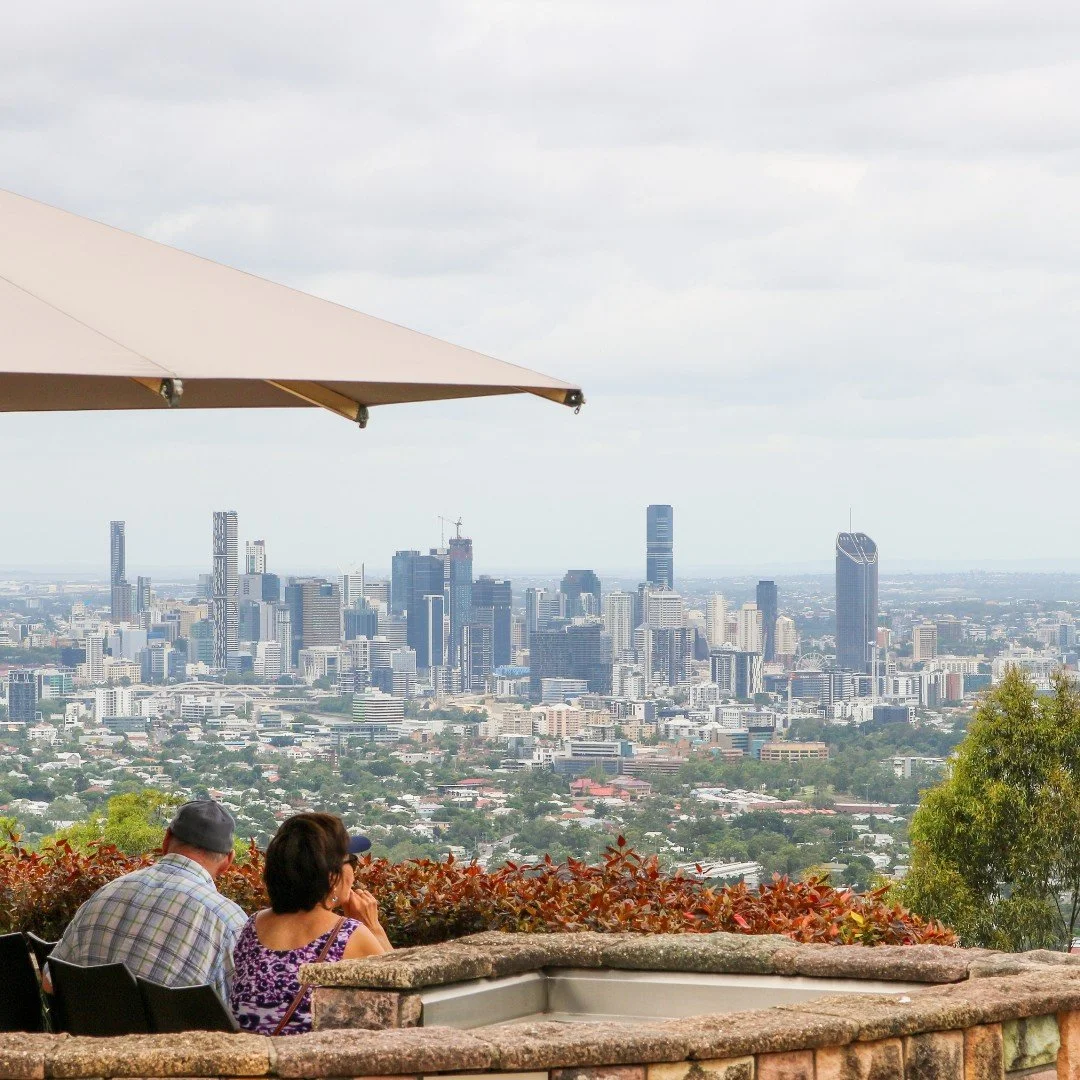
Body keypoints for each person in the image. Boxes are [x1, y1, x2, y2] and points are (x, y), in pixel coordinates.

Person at [46, 800, 247, 1003]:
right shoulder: (229, 921)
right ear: (227, 862)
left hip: (89, 1022)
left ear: (166, 840)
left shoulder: (107, 892)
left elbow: (49, 981)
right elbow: (242, 1011)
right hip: (171, 1025)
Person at [230, 812, 392, 1035]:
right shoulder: (348, 935)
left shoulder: (253, 926)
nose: (355, 872)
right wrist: (374, 928)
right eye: (352, 861)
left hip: (254, 1054)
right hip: (311, 1056)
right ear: (331, 876)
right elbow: (405, 1001)